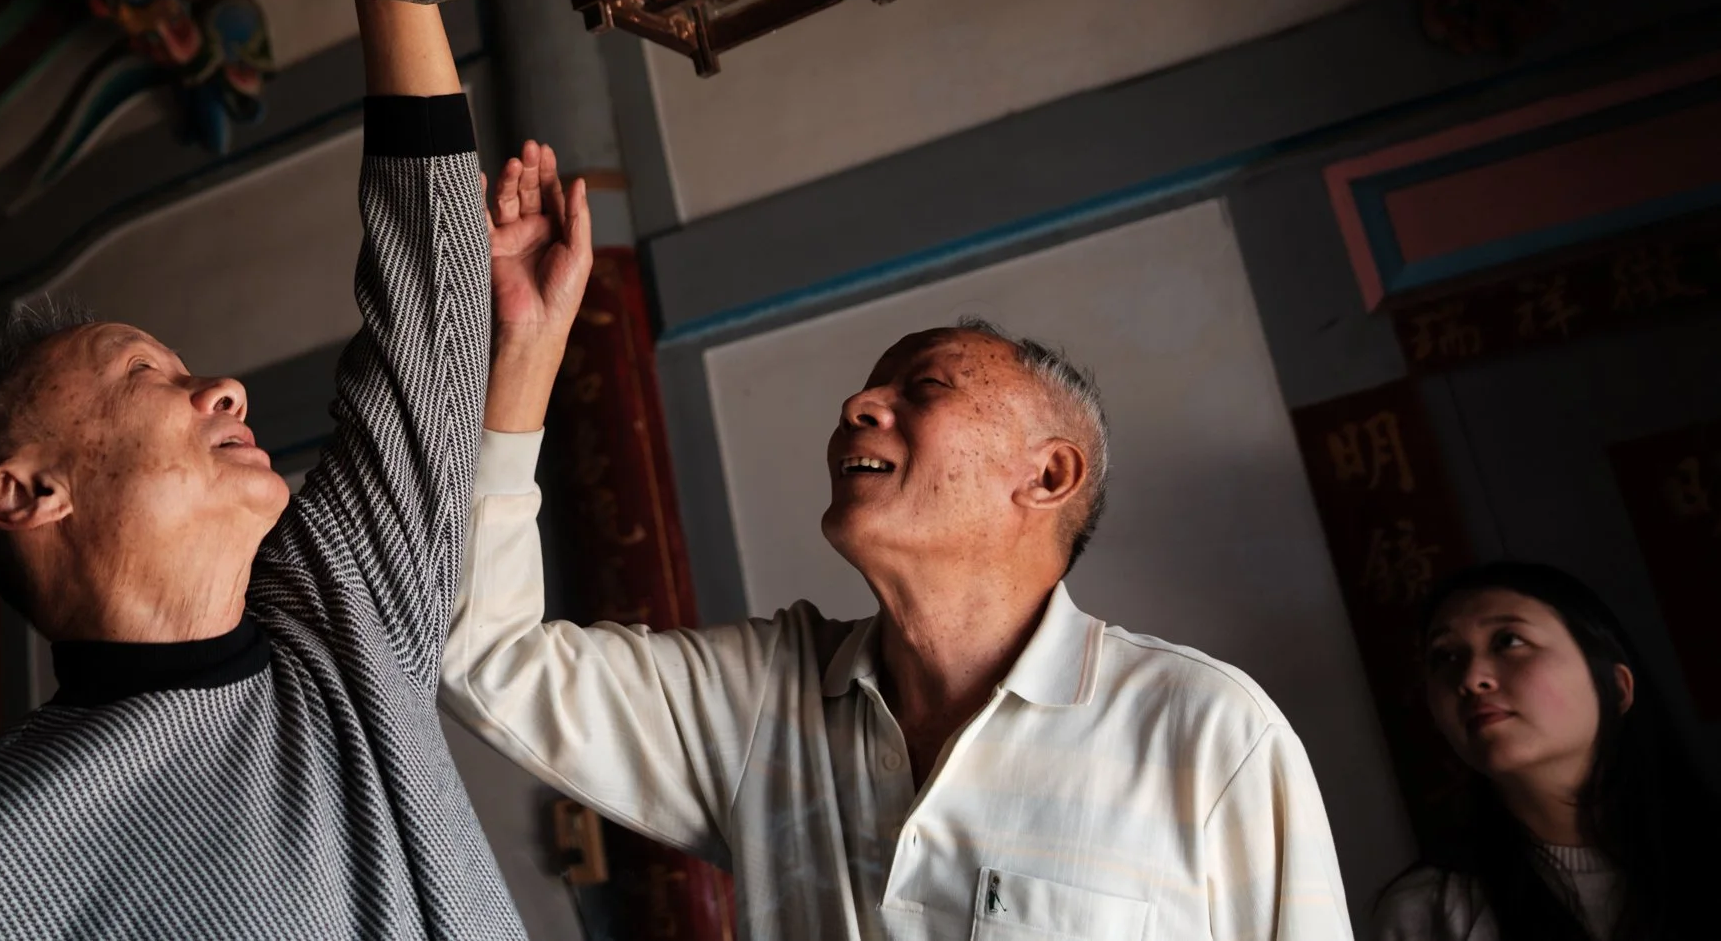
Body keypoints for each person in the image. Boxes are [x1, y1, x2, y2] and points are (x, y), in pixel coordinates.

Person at [0, 0, 592, 941]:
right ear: (29, 491)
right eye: (146, 374)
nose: (223, 391)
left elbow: (435, 313)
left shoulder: (339, 628)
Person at [444, 317, 1355, 941]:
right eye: (869, 390)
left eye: (924, 387)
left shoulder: (1208, 731)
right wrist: (525, 350)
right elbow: (483, 655)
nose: (858, 409)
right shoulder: (769, 698)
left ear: (1047, 478)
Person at [1372, 562, 1717, 941]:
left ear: (1616, 688)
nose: (1471, 680)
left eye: (1509, 641)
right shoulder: (1427, 913)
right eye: (1444, 657)